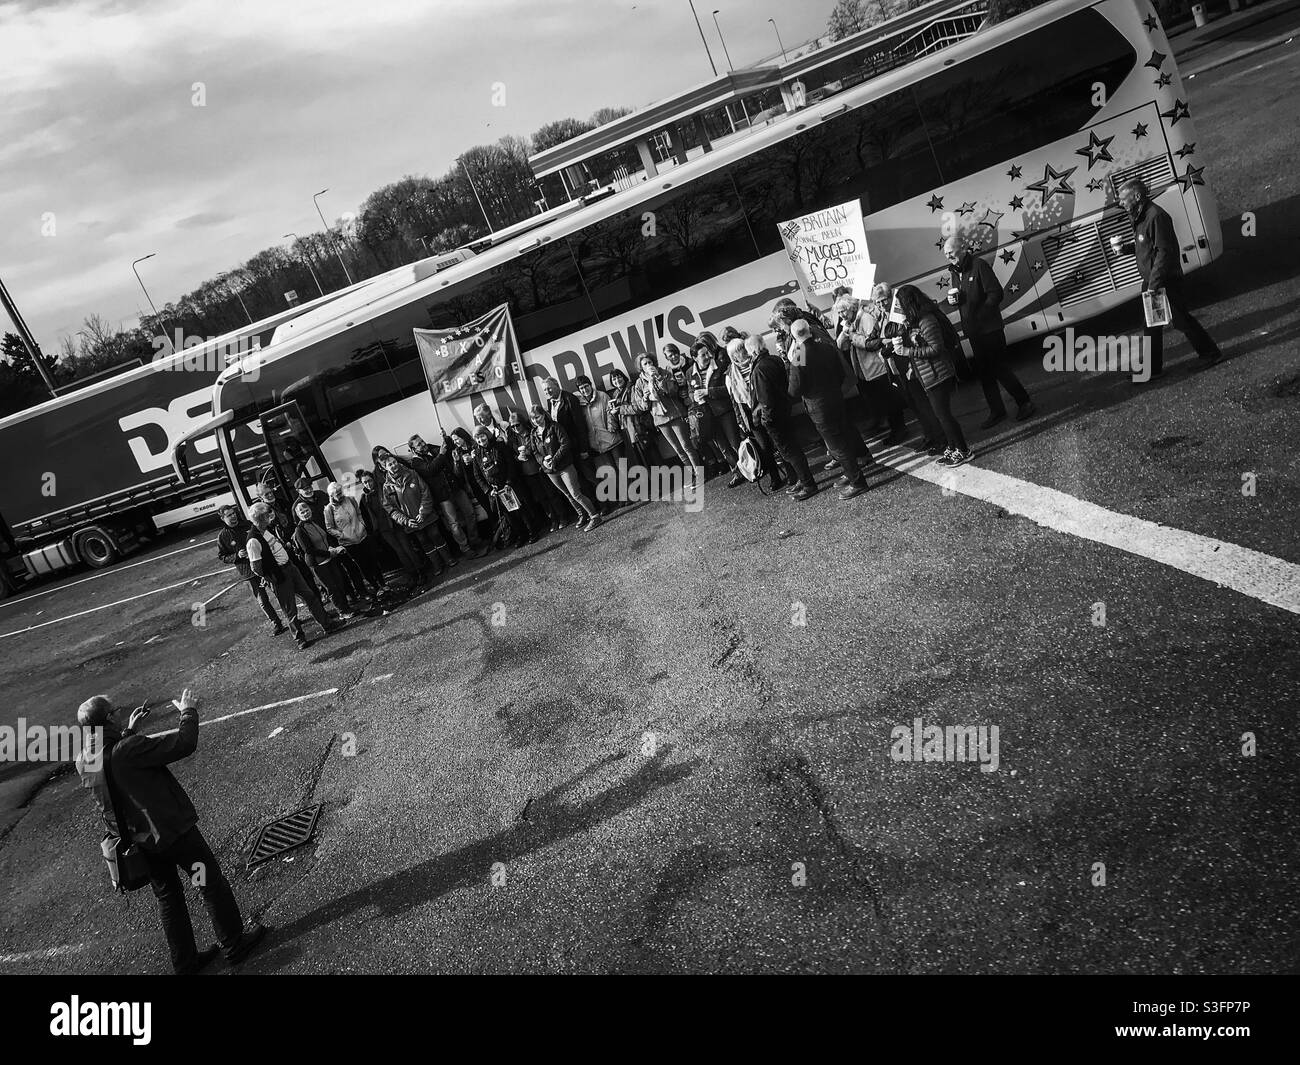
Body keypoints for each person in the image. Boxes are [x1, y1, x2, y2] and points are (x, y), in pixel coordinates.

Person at [74, 689, 268, 974]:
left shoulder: (84, 759)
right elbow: (183, 743)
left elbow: (114, 767)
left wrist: (128, 731)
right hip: (173, 833)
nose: (119, 713)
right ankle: (234, 943)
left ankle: (185, 962)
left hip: (140, 843)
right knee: (208, 882)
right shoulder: (129, 750)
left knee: (169, 898)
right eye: (115, 711)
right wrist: (188, 712)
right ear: (108, 718)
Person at [1116, 176, 1222, 375]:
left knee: (1181, 320)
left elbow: (1164, 252)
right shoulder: (1140, 216)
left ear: (1137, 196)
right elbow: (1146, 245)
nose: (1121, 203)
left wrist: (1153, 285)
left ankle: (1210, 353)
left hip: (1165, 281)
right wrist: (1125, 249)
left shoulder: (1155, 216)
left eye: (1124, 199)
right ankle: (1152, 369)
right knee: (1152, 326)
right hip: (1154, 281)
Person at [944, 234, 1035, 427]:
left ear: (963, 248)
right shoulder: (955, 272)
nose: (948, 257)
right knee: (984, 373)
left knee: (1000, 368)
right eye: (945, 254)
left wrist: (981, 315)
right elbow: (966, 298)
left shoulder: (979, 266)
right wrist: (957, 300)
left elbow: (996, 293)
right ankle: (997, 411)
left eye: (950, 252)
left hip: (990, 329)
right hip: (974, 332)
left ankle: (1024, 402)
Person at [788, 318, 871, 500]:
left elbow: (795, 389)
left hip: (818, 406)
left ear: (794, 336)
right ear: (809, 330)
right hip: (836, 398)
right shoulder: (825, 347)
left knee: (837, 446)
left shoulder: (800, 353)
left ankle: (857, 482)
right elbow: (841, 373)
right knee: (845, 437)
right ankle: (852, 475)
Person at [892, 284, 973, 467]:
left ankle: (963, 450)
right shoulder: (915, 322)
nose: (899, 308)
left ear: (908, 303)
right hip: (928, 375)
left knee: (944, 415)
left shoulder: (927, 321)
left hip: (939, 374)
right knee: (940, 415)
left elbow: (936, 348)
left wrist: (908, 351)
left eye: (900, 304)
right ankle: (953, 448)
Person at [247, 501, 341, 649]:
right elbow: (256, 567)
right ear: (260, 518)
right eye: (267, 514)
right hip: (279, 575)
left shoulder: (265, 530)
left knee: (310, 596)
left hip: (290, 568)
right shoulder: (253, 540)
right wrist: (269, 577)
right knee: (290, 609)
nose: (270, 516)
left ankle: (327, 625)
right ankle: (299, 639)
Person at [751, 332, 817, 499]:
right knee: (793, 448)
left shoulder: (759, 369)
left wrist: (765, 420)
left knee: (789, 451)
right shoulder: (774, 359)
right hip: (785, 409)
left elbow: (765, 400)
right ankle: (803, 480)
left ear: (752, 351)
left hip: (774, 417)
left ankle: (808, 484)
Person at [835, 293, 907, 444]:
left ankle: (899, 430)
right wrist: (845, 331)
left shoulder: (865, 318)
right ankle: (895, 430)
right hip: (864, 370)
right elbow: (841, 346)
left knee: (889, 401)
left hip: (876, 367)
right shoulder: (849, 323)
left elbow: (873, 342)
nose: (841, 315)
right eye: (839, 312)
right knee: (881, 402)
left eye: (843, 311)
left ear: (851, 308)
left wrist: (854, 336)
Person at [408, 433, 487, 558]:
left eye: (422, 441)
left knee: (470, 513)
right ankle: (465, 548)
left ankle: (474, 540)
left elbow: (447, 447)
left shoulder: (432, 448)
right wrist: (441, 454)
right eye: (419, 444)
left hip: (455, 488)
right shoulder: (415, 462)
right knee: (454, 524)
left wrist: (446, 437)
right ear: (413, 449)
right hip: (442, 496)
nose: (423, 444)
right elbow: (430, 470)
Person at [525, 403, 602, 531]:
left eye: (537, 417)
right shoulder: (533, 433)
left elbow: (565, 443)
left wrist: (554, 460)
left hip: (565, 466)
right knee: (567, 495)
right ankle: (581, 514)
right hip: (550, 470)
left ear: (544, 415)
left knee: (575, 493)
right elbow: (535, 452)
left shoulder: (554, 426)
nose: (535, 420)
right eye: (533, 418)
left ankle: (594, 516)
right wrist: (542, 461)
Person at [293, 499, 374, 619]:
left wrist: (332, 549)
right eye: (302, 512)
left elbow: (324, 538)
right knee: (332, 588)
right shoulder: (299, 530)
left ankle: (347, 608)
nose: (305, 513)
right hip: (319, 564)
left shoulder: (313, 522)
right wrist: (329, 553)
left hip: (329, 558)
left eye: (306, 510)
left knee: (339, 583)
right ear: (298, 515)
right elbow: (309, 550)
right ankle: (342, 611)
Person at [632, 352, 704, 483]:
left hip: (675, 414)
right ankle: (692, 475)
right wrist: (645, 397)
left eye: (650, 362)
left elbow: (672, 391)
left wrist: (659, 379)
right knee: (678, 449)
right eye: (645, 364)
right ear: (641, 367)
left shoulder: (665, 373)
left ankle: (700, 474)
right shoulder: (639, 383)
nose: (649, 365)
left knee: (686, 446)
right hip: (660, 419)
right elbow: (641, 407)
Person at [381, 452, 451, 584]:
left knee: (436, 535)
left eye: (394, 462)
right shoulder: (387, 487)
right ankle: (437, 565)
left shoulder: (412, 473)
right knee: (424, 541)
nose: (393, 465)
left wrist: (423, 512)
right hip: (412, 523)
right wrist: (406, 521)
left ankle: (448, 559)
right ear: (385, 468)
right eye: (390, 464)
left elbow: (425, 491)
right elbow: (390, 509)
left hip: (427, 515)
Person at [727, 336, 786, 492]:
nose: (744, 352)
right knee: (765, 447)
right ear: (733, 356)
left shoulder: (756, 363)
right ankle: (775, 478)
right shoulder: (731, 375)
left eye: (743, 348)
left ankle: (792, 473)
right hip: (750, 416)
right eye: (739, 350)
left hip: (765, 409)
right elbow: (735, 401)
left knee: (778, 442)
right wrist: (741, 421)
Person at [215, 503, 284, 636]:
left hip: (264, 565)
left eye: (234, 513)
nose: (233, 516)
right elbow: (222, 556)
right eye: (229, 515)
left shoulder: (247, 525)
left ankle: (292, 616)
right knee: (263, 600)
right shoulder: (223, 536)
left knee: (280, 591)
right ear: (223, 518)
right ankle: (276, 623)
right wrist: (236, 556)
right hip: (249, 572)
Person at [355, 467, 425, 592]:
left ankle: (421, 572)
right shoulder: (365, 498)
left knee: (407, 548)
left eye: (369, 481)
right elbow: (366, 516)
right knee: (399, 551)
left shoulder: (382, 489)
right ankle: (412, 574)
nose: (368, 484)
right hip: (384, 529)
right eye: (365, 482)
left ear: (373, 480)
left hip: (395, 523)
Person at [471, 425, 540, 546]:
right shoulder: (477, 453)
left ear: (487, 434)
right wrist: (488, 490)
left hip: (508, 485)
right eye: (477, 438)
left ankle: (532, 532)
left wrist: (509, 482)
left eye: (482, 436)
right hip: (495, 490)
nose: (480, 440)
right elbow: (477, 475)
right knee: (509, 515)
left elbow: (511, 465)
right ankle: (521, 535)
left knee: (520, 510)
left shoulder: (499, 446)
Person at [693, 336, 744, 487]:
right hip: (707, 416)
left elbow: (729, 388)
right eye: (703, 355)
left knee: (735, 442)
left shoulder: (719, 366)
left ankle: (751, 467)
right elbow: (689, 393)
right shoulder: (690, 373)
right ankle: (737, 473)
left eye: (707, 353)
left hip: (724, 411)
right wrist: (694, 396)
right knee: (724, 448)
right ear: (695, 358)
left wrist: (709, 392)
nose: (708, 356)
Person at [324, 481, 387, 601]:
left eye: (340, 492)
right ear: (331, 495)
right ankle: (376, 587)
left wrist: (362, 524)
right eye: (337, 494)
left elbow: (359, 514)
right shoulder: (328, 509)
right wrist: (341, 535)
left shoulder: (351, 499)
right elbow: (329, 528)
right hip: (349, 543)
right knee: (363, 566)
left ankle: (383, 584)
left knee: (373, 560)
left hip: (362, 536)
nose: (340, 495)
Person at [574, 374, 625, 510]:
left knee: (622, 470)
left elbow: (611, 414)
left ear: (591, 385)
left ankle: (629, 496)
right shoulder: (580, 404)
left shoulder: (602, 396)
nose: (585, 390)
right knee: (609, 473)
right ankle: (620, 499)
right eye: (581, 388)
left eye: (586, 386)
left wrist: (612, 428)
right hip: (597, 445)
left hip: (612, 438)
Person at [607, 368, 655, 470]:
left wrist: (620, 409)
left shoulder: (632, 388)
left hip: (639, 429)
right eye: (614, 379)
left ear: (623, 377)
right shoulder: (615, 395)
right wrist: (612, 413)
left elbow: (637, 408)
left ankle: (661, 482)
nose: (617, 380)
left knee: (650, 459)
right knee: (640, 463)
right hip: (627, 433)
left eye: (619, 377)